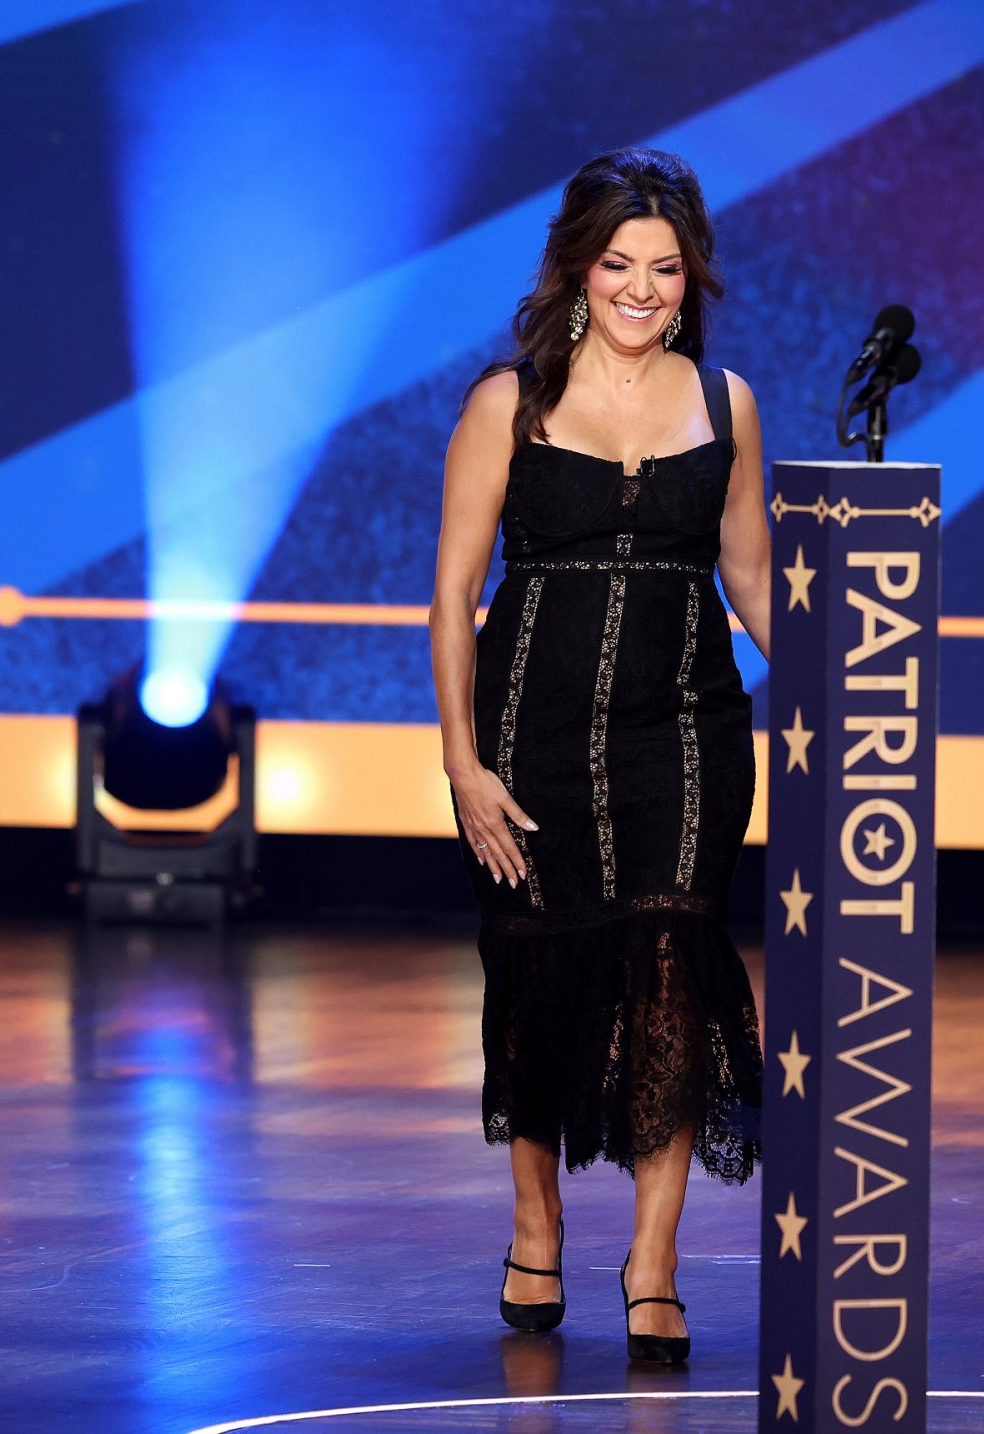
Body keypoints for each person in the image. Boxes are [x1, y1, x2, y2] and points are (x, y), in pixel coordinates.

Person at [430, 146, 770, 1363]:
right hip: (531, 731)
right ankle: (536, 1222)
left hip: (687, 730)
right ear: (578, 266)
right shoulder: (506, 401)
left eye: (665, 268)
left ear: (692, 278)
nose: (641, 287)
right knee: (540, 973)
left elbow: (747, 574)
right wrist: (464, 765)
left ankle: (656, 1257)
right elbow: (454, 592)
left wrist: (852, 675)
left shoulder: (723, 400)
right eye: (619, 263)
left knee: (673, 959)